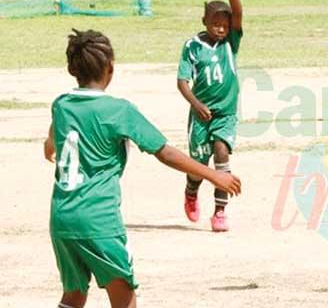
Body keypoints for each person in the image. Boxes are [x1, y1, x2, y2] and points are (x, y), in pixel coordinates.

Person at [45, 29, 241, 308]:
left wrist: (48, 148)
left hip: (62, 219)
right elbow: (165, 152)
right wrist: (213, 175)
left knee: (74, 296)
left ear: (72, 69)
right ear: (110, 68)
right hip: (98, 220)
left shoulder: (61, 105)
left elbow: (52, 139)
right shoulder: (118, 110)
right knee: (124, 299)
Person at [177, 0, 244, 231]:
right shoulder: (192, 46)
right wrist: (196, 104)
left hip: (225, 113)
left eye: (225, 25)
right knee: (198, 164)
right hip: (200, 115)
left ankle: (220, 212)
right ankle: (191, 191)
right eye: (216, 23)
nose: (221, 28)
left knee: (221, 152)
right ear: (204, 21)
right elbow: (182, 82)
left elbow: (238, 14)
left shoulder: (231, 42)